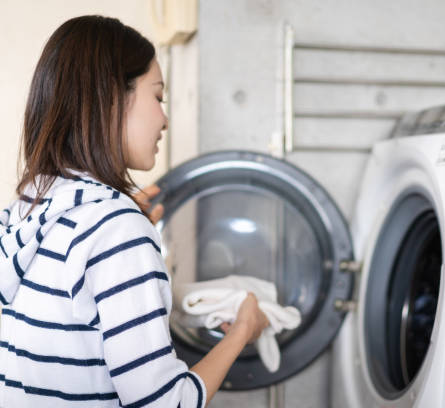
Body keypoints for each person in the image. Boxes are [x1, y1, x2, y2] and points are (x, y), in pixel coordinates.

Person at [0, 15, 268, 407]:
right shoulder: (114, 228)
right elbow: (165, 403)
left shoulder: (33, 201)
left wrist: (122, 227)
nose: (165, 118)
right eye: (157, 96)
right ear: (111, 98)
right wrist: (243, 330)